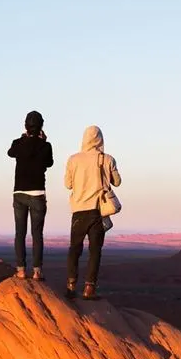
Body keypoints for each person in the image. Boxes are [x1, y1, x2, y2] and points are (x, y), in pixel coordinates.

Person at [64, 125, 121, 300]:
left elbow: (68, 184)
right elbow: (117, 182)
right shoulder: (107, 159)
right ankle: (89, 289)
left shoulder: (73, 159)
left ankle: (71, 285)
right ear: (100, 139)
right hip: (98, 212)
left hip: (78, 211)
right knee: (95, 251)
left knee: (75, 248)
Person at [7, 111, 53, 280]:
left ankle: (20, 271)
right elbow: (49, 163)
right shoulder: (45, 146)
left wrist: (24, 139)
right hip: (37, 193)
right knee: (37, 234)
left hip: (19, 193)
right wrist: (42, 141)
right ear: (41, 126)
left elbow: (10, 152)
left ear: (26, 126)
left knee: (20, 233)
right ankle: (36, 272)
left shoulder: (18, 143)